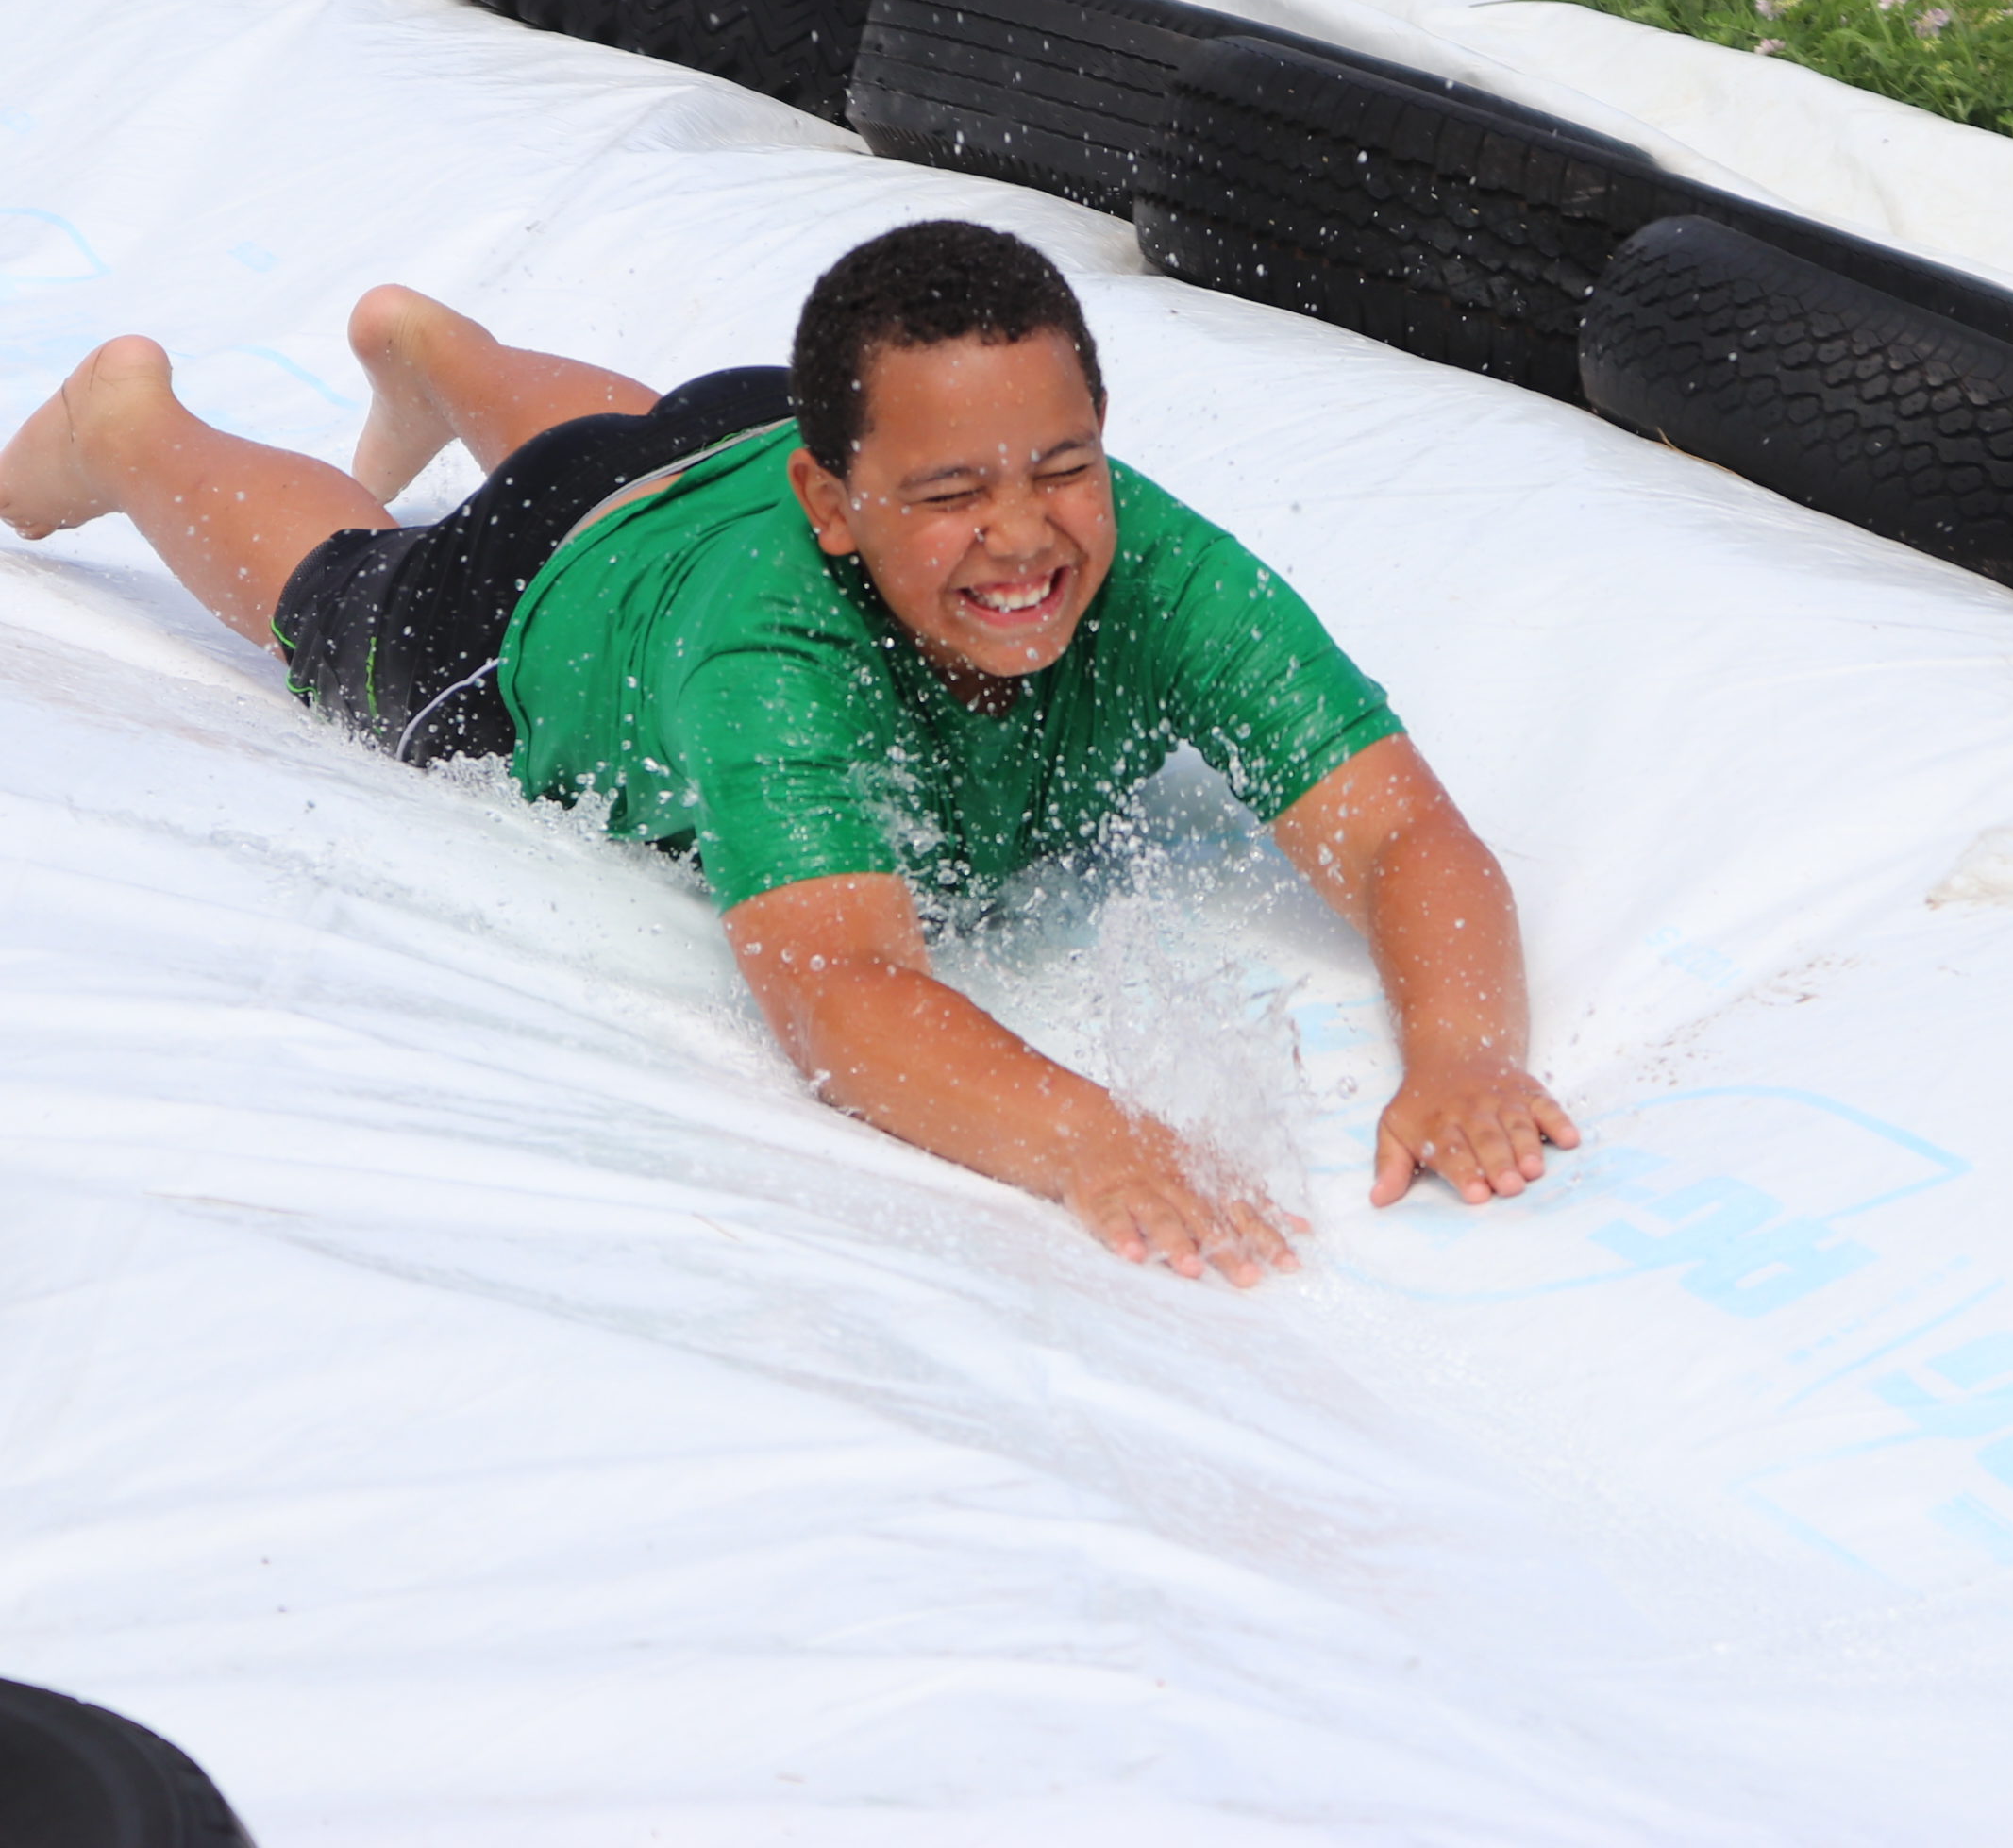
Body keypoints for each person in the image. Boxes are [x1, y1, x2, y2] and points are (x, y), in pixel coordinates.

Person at [0, 219, 1577, 1285]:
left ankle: (440, 354)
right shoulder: (771, 662)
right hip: (536, 584)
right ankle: (131, 429)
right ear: (838, 506)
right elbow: (842, 987)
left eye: (1063, 468)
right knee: (343, 603)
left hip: (747, 428)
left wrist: (1464, 1053)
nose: (1023, 536)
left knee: (645, 437)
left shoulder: (1141, 557)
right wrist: (1092, 1139)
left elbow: (1399, 829)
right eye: (958, 496)